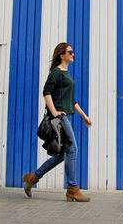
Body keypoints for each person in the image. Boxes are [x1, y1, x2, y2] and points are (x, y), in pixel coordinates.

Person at [21, 42, 93, 202]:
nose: (73, 54)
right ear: (62, 55)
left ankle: (32, 178)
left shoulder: (66, 74)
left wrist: (83, 115)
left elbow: (72, 100)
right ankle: (73, 189)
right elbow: (46, 92)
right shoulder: (56, 72)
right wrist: (54, 112)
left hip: (67, 116)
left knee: (62, 155)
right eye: (70, 52)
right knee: (72, 149)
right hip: (60, 117)